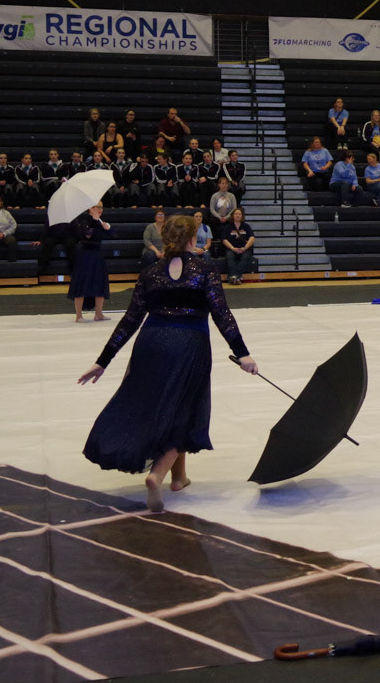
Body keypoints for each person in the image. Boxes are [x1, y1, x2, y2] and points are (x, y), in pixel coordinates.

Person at [78, 213, 257, 513]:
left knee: (168, 405)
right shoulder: (206, 270)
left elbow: (130, 319)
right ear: (193, 239)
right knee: (185, 409)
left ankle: (179, 478)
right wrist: (242, 353)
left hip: (151, 342)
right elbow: (222, 314)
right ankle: (157, 475)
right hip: (189, 343)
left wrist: (103, 360)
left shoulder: (151, 272)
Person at [70, 203, 113, 322]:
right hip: (86, 255)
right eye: (98, 207)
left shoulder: (100, 221)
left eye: (101, 207)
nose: (100, 209)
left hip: (97, 255)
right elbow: (87, 236)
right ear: (91, 208)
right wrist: (94, 222)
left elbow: (114, 235)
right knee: (82, 283)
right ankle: (79, 315)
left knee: (100, 282)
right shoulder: (84, 220)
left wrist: (109, 228)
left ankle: (99, 314)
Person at [222, 209, 255, 284]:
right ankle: (236, 277)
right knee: (230, 257)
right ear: (233, 216)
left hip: (244, 248)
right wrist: (232, 248)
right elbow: (224, 240)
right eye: (236, 214)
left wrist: (245, 248)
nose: (238, 215)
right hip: (232, 248)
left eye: (240, 214)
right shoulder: (228, 227)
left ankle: (233, 276)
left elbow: (252, 238)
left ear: (242, 216)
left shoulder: (246, 226)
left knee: (245, 257)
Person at [208, 177, 238, 244]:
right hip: (217, 216)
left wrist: (226, 217)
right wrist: (219, 217)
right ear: (219, 185)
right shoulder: (214, 196)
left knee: (232, 221)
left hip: (228, 216)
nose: (224, 185)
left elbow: (234, 208)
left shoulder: (231, 196)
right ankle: (215, 239)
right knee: (212, 220)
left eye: (226, 183)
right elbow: (212, 209)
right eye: (222, 183)